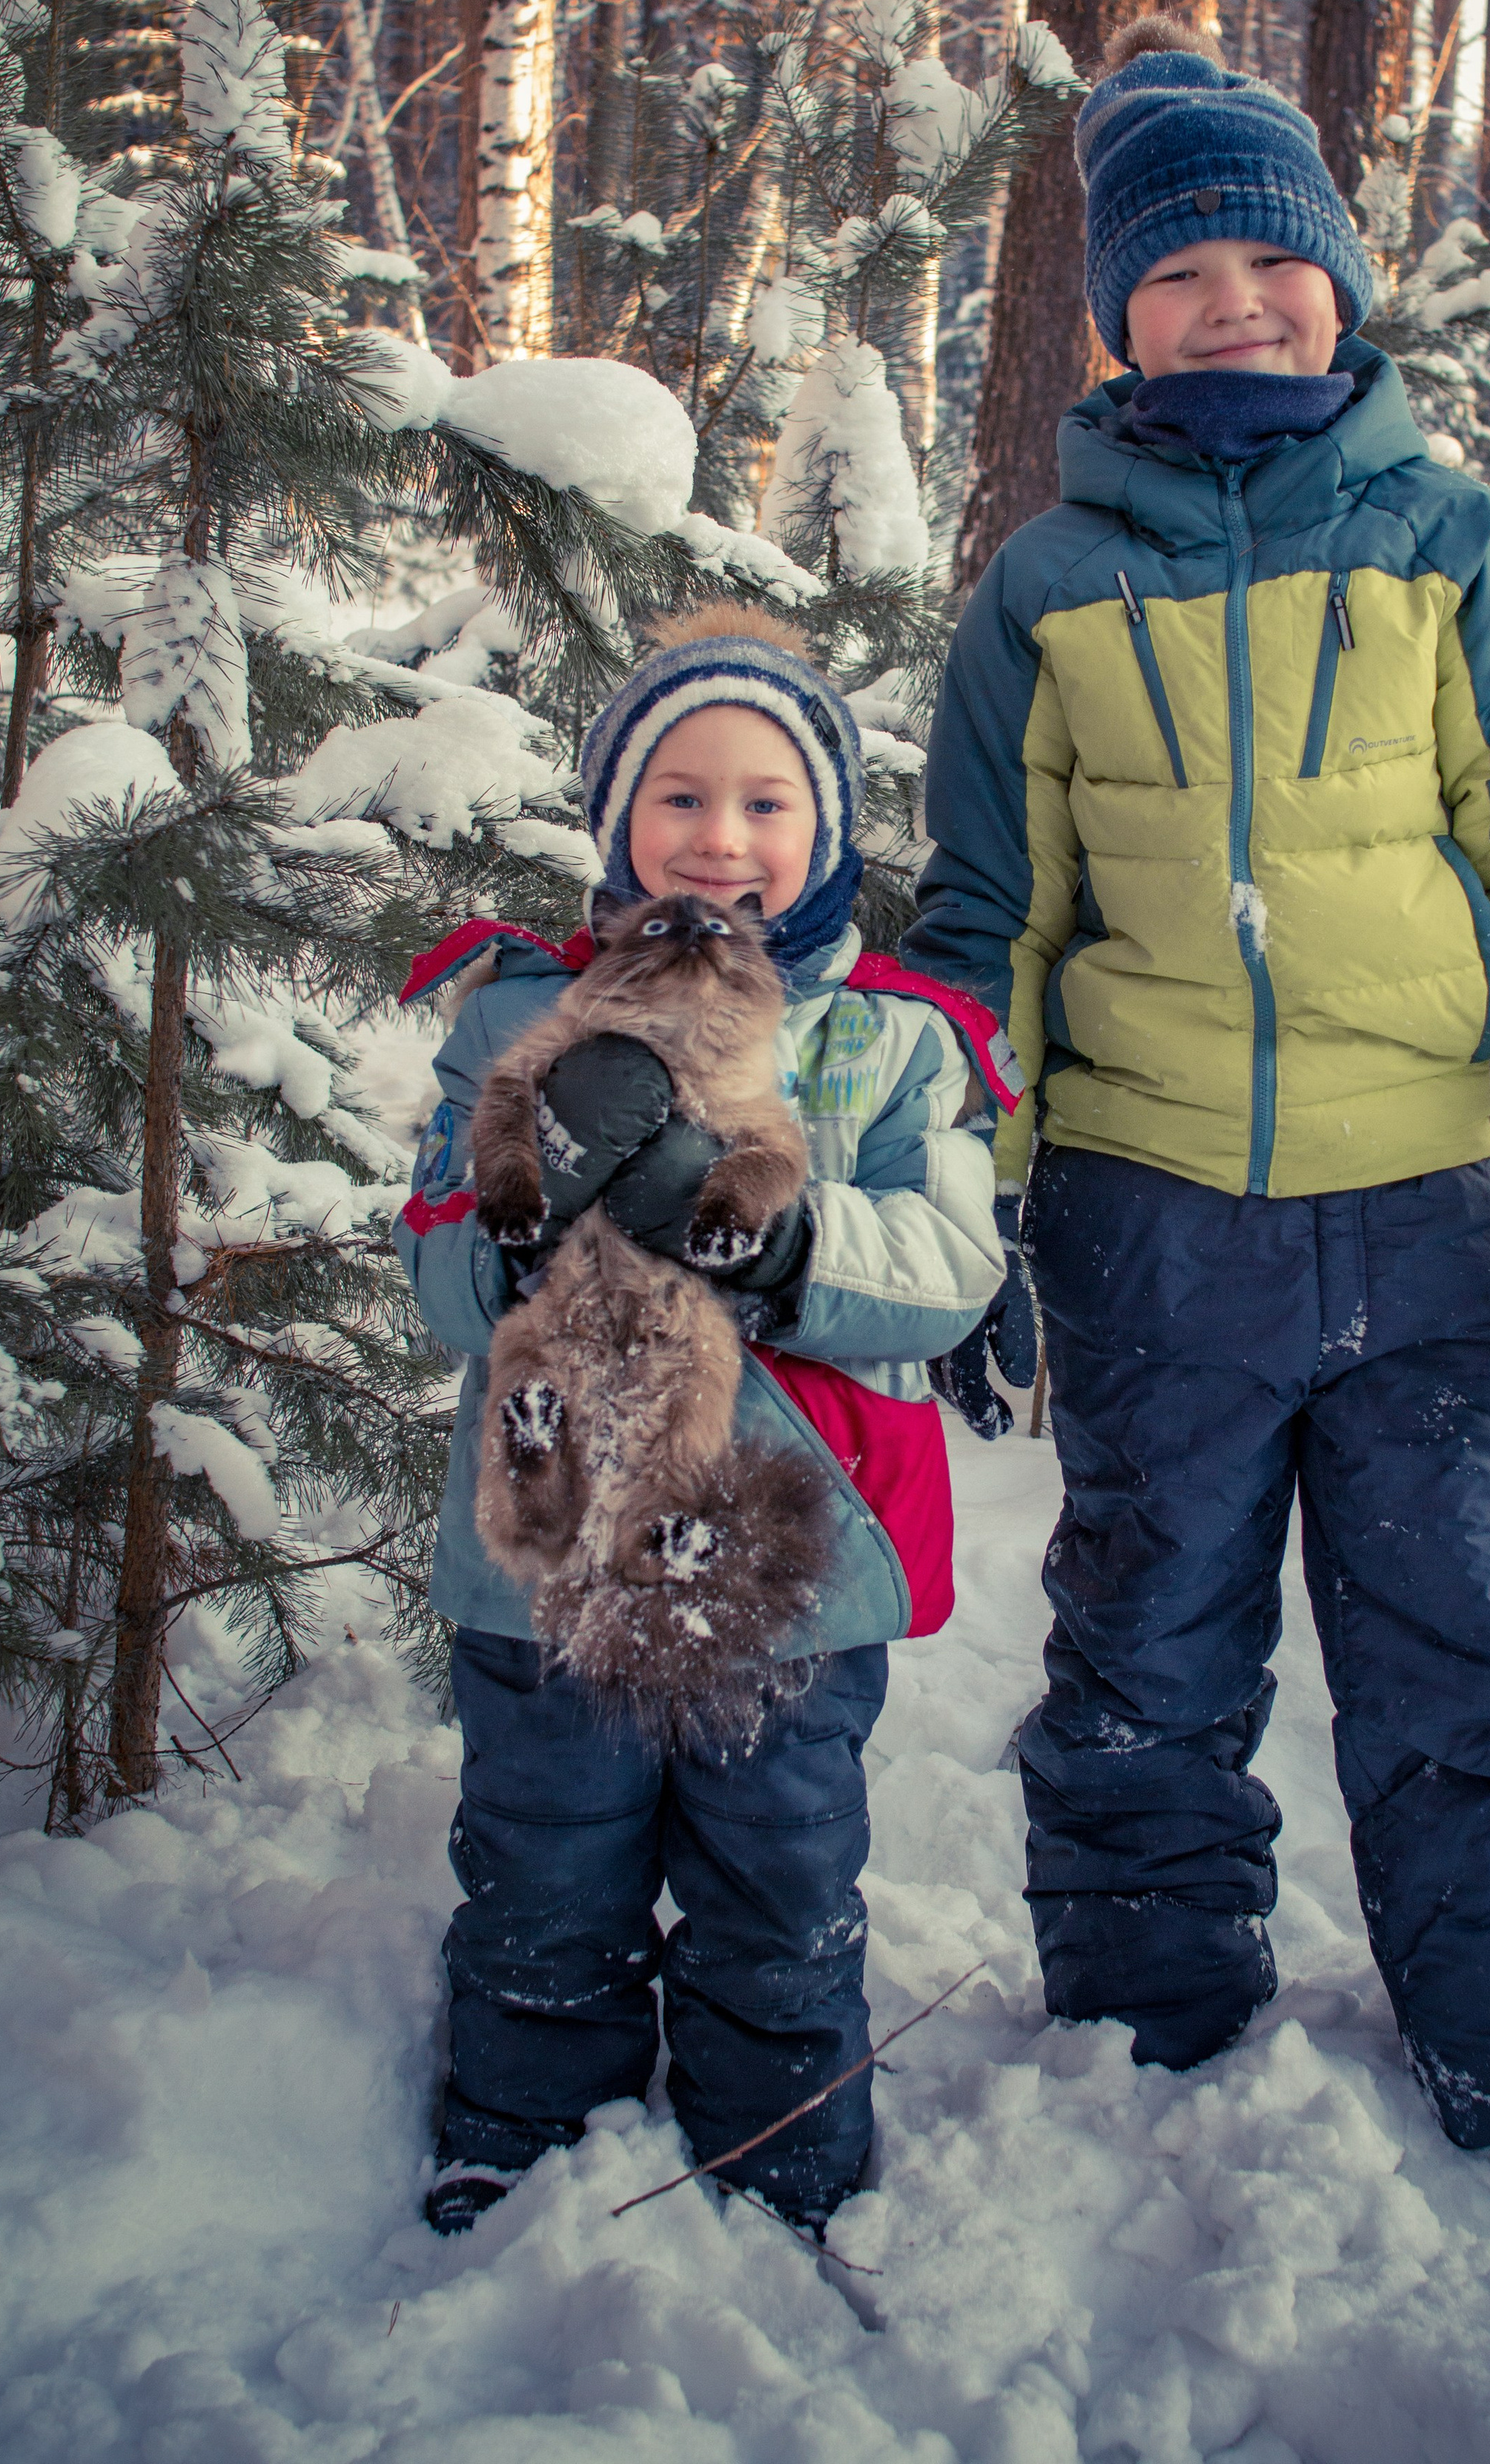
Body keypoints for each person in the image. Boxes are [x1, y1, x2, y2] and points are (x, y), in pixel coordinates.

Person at [904, 17, 1490, 2240]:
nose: (1238, 306)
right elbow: (989, 917)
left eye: (1272, 265)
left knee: (1475, 1649)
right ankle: (1141, 2045)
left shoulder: (1458, 552)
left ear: (1341, 284)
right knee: (1147, 1657)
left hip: (1432, 1211)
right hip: (1151, 1211)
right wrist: (964, 1196)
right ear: (1117, 318)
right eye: (1181, 274)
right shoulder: (1044, 593)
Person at [397, 604, 1004, 2236]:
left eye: (763, 802)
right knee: (544, 1856)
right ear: (613, 819)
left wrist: (778, 1231)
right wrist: (527, 1223)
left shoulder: (890, 1038)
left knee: (779, 1867)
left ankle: (784, 2135)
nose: (719, 839)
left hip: (789, 1559)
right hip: (548, 1550)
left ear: (824, 835)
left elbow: (947, 1266)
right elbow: (437, 1283)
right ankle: (519, 2120)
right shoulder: (506, 1019)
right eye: (678, 796)